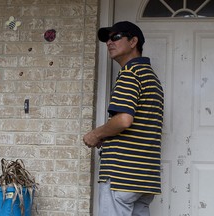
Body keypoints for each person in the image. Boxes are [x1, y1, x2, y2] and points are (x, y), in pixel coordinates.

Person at [83, 21, 164, 216]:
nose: (109, 42)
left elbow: (124, 120)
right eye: (107, 39)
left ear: (133, 41)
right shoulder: (151, 77)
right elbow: (139, 123)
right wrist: (107, 136)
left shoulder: (130, 74)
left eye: (116, 37)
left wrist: (96, 134)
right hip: (144, 177)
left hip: (122, 174)